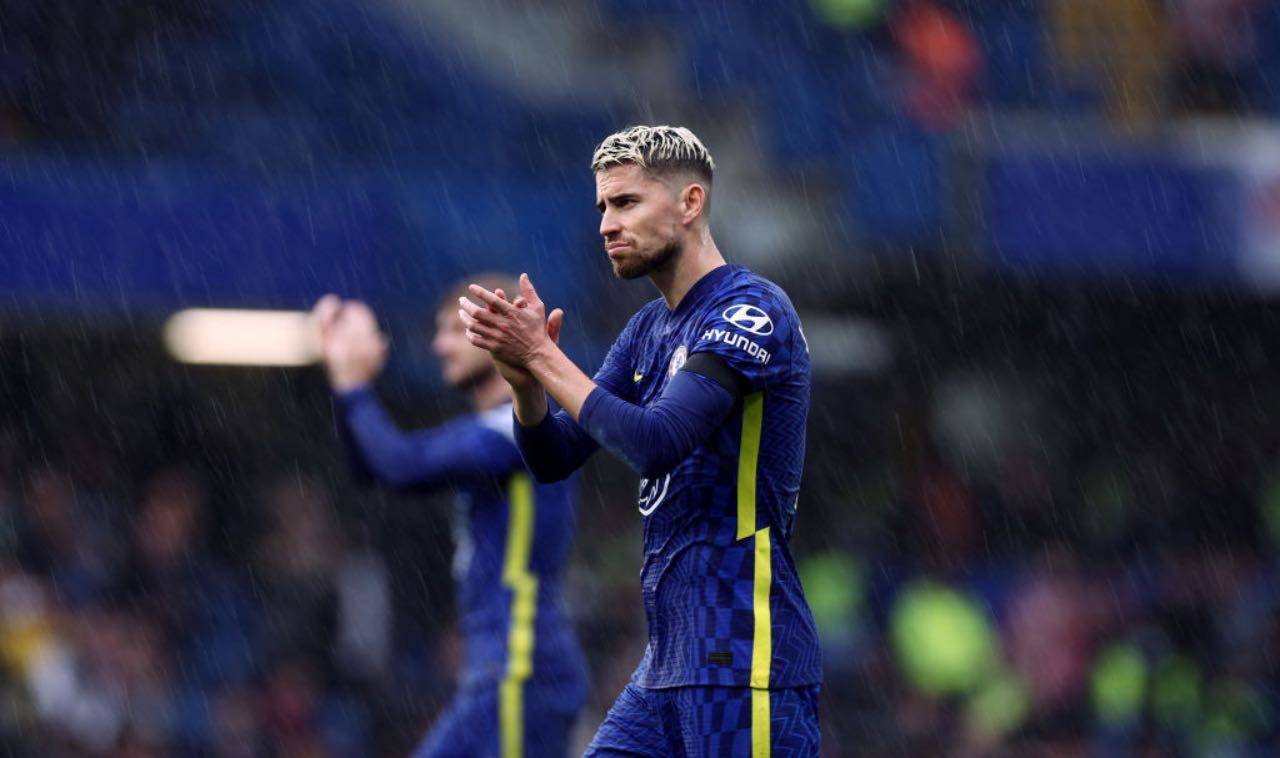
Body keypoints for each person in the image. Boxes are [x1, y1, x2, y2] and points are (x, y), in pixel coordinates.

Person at [459, 126, 822, 756]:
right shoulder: (646, 331)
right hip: (666, 666)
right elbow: (555, 457)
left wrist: (545, 357)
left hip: (745, 654)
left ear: (689, 203)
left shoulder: (750, 311)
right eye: (602, 207)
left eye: (626, 203)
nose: (606, 225)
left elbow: (658, 441)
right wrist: (526, 384)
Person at [312, 279, 587, 758]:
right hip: (502, 671)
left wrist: (355, 386)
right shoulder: (495, 430)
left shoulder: (518, 431)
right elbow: (372, 470)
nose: (439, 345)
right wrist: (343, 382)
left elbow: (399, 467)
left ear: (505, 330)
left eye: (456, 331)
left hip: (521, 667)